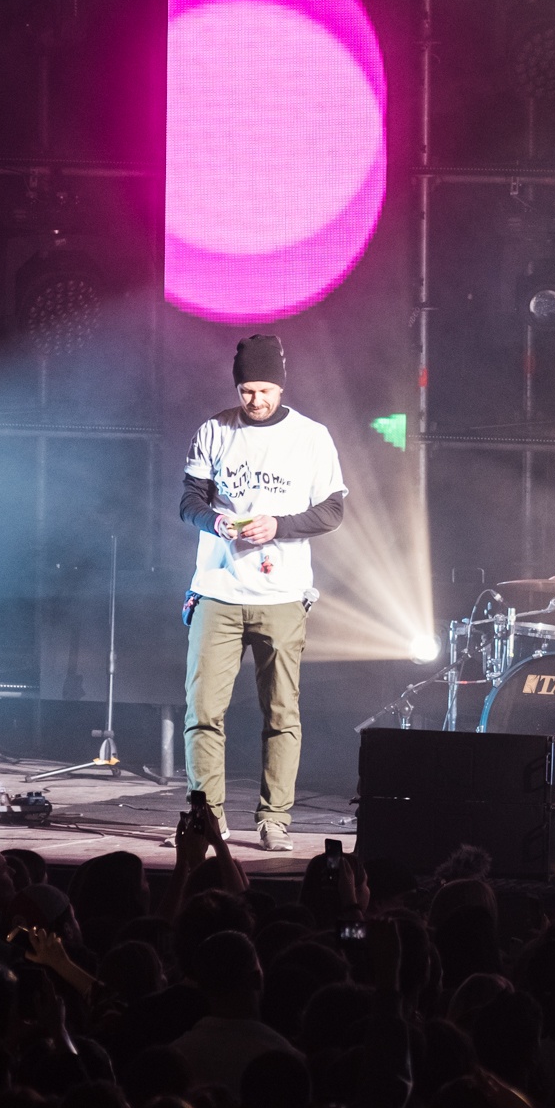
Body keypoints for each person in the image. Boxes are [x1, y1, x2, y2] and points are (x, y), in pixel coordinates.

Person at [179, 334, 347, 853]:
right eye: (247, 391)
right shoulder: (214, 430)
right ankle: (207, 820)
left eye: (265, 390)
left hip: (282, 595)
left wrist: (278, 525)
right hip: (217, 591)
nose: (255, 400)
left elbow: (333, 510)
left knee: (281, 715)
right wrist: (214, 521)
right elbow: (188, 501)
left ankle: (275, 819)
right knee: (202, 711)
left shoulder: (311, 437)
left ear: (281, 386)